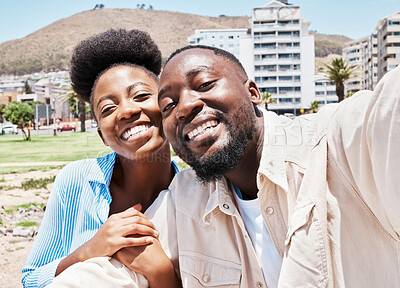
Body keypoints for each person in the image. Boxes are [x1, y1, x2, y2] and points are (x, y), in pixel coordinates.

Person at [45, 45, 400, 287]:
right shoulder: (185, 198)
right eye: (168, 104)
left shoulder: (341, 143)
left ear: (253, 92)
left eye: (204, 84)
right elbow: (106, 275)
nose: (184, 106)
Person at [21, 29, 181, 288]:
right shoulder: (76, 180)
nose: (128, 110)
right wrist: (92, 248)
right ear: (102, 136)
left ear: (166, 105)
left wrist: (162, 274)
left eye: (140, 96)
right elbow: (31, 280)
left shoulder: (196, 193)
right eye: (108, 108)